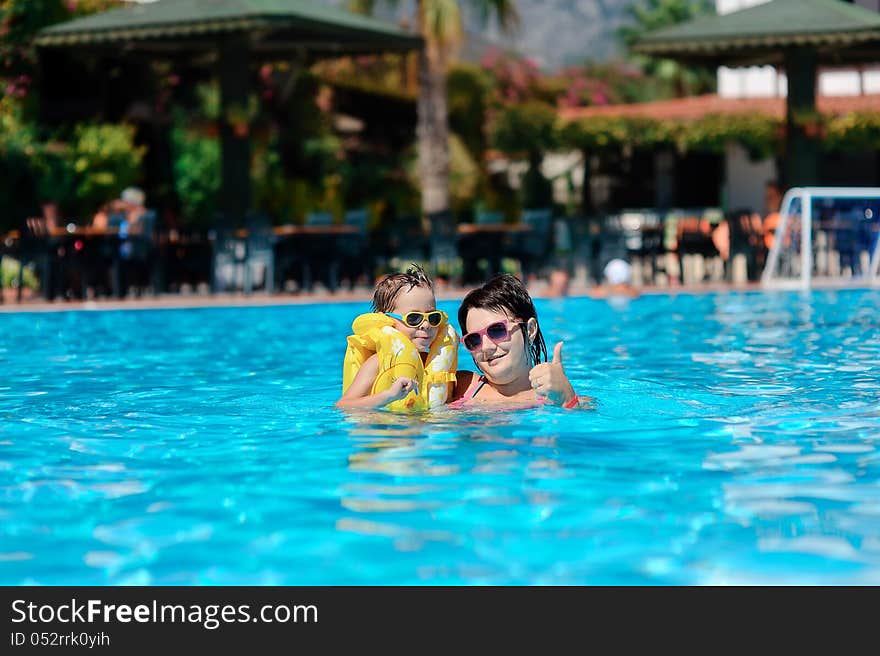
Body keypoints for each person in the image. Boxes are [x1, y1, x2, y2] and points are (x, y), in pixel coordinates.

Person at [450, 274, 583, 409]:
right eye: (474, 339)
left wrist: (567, 399)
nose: (486, 347)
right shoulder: (460, 386)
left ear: (530, 330)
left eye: (496, 330)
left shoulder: (558, 398)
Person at [338, 264, 458, 410]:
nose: (426, 325)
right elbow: (344, 405)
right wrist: (389, 395)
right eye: (414, 318)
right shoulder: (377, 362)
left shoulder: (431, 360)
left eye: (433, 317)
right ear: (387, 320)